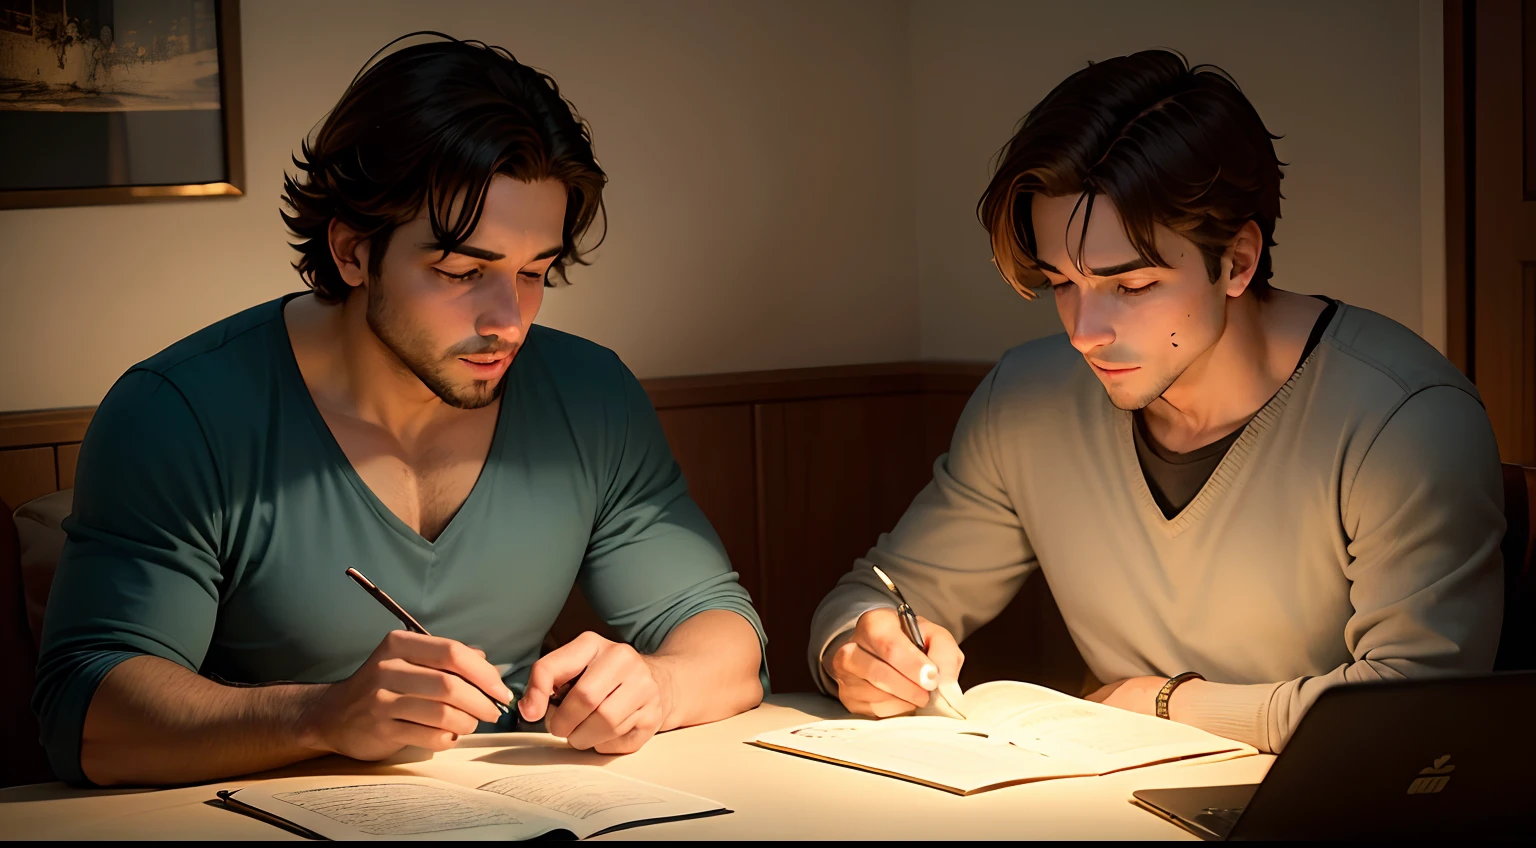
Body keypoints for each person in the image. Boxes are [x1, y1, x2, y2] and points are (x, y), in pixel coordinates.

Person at [33, 35, 767, 787]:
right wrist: (320, 716)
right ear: (353, 252)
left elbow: (727, 639)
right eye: (460, 272)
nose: (507, 320)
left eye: (534, 273)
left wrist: (658, 685)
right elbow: (86, 716)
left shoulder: (590, 395)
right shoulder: (179, 412)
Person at [809, 49, 1504, 753]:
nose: (1084, 333)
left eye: (1131, 287)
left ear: (1236, 261)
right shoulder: (1026, 401)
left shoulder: (1405, 420)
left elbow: (1416, 710)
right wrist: (859, 651)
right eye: (1062, 283)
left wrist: (1170, 703)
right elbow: (873, 596)